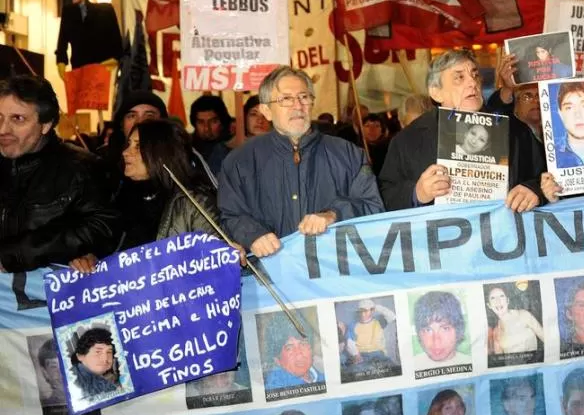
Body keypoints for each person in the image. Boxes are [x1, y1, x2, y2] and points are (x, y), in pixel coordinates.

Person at [220, 66, 384, 258]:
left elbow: (374, 207)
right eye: (286, 99)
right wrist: (253, 235)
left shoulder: (348, 154)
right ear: (266, 110)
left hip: (335, 274)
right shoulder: (240, 161)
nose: (297, 106)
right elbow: (230, 215)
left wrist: (334, 214)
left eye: (304, 97)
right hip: (268, 276)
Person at [381, 49, 546, 212]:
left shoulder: (513, 130)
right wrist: (417, 193)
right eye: (459, 77)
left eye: (475, 75)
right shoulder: (409, 139)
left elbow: (546, 176)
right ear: (436, 92)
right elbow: (385, 196)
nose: (472, 83)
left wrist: (534, 190)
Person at [70, 119, 230, 273]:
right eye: (128, 144)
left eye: (138, 147)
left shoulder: (194, 203)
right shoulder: (122, 197)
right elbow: (112, 252)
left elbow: (216, 267)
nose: (125, 153)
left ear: (161, 154)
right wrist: (92, 259)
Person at [0, 76, 119, 273]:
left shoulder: (83, 169)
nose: (3, 130)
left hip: (42, 299)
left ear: (45, 125)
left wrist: (15, 255)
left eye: (17, 119)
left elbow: (101, 227)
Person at [262, 313, 324, 390]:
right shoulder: (275, 389)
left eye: (303, 344)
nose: (299, 355)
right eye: (289, 348)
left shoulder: (323, 376)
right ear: (277, 360)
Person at [413, 291, 471, 370]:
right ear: (418, 333)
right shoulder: (411, 366)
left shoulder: (472, 364)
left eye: (445, 329)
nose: (436, 341)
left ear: (458, 330)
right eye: (428, 330)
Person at [486, 286, 544, 356]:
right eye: (493, 298)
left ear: (508, 300)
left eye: (501, 296)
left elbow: (547, 339)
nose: (498, 301)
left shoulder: (523, 315)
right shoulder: (495, 331)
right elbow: (500, 360)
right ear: (489, 305)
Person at [343, 298, 397, 370]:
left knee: (393, 369)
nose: (362, 314)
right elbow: (349, 341)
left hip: (378, 354)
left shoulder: (379, 321)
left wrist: (376, 307)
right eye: (360, 311)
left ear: (372, 311)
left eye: (365, 311)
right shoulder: (353, 325)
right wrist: (356, 354)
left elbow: (392, 316)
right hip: (362, 355)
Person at [71, 327, 121, 399]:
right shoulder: (73, 378)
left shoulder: (98, 377)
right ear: (80, 356)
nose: (105, 359)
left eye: (109, 352)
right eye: (98, 352)